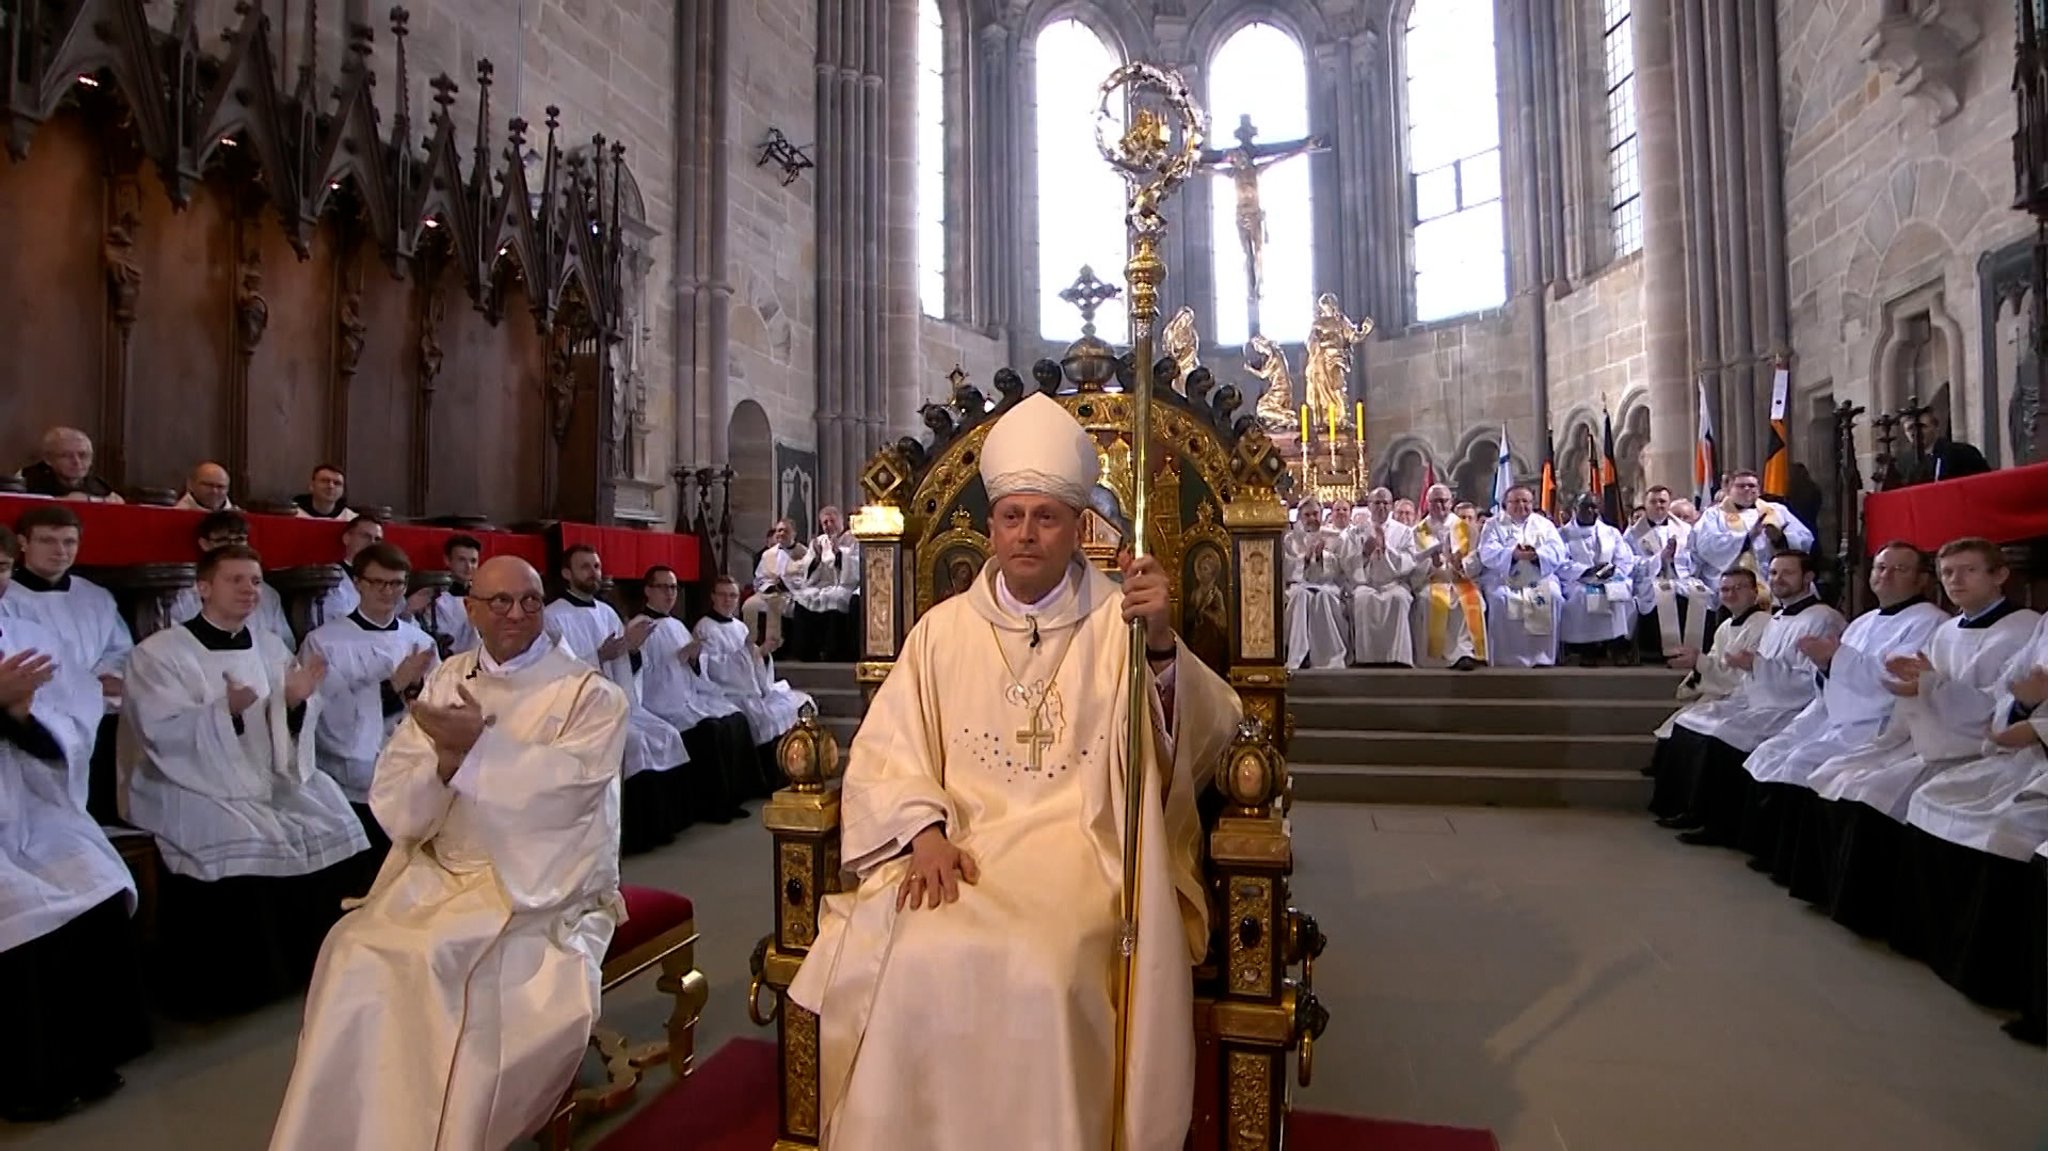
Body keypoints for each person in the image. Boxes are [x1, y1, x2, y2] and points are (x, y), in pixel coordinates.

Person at [786, 392, 1243, 1151]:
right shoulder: (941, 631)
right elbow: (888, 749)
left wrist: (1161, 646)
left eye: (1047, 516)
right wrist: (922, 833)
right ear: (991, 526)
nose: (1026, 533)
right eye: (1012, 516)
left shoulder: (1119, 622)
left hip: (1082, 853)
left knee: (1047, 969)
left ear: (1077, 526)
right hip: (961, 852)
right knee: (918, 955)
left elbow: (1205, 732)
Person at [269, 557, 630, 1151]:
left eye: (530, 601)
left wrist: (481, 751)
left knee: (444, 964)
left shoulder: (588, 693)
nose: (517, 613)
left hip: (535, 882)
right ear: (470, 609)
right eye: (500, 602)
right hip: (441, 866)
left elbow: (572, 787)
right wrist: (443, 762)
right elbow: (397, 787)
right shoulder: (446, 681)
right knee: (354, 950)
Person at [117, 544, 369, 1016]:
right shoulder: (160, 653)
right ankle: (241, 988)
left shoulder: (270, 646)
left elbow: (288, 729)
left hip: (266, 770)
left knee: (332, 813)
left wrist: (293, 703)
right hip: (185, 778)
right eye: (235, 580)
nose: (248, 590)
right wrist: (223, 715)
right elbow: (160, 733)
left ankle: (318, 963)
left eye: (255, 581)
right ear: (203, 587)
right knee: (240, 833)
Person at [1801, 539, 2040, 933]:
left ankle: (1873, 913)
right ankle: (1841, 898)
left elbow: (1994, 708)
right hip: (1928, 735)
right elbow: (1922, 685)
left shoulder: (2023, 627)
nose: (1956, 581)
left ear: (2000, 575)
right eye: (1948, 572)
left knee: (1873, 793)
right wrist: (1912, 688)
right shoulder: (1947, 631)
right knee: (1840, 773)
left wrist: (1928, 686)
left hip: (1974, 748)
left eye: (1969, 570)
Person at [0, 528, 151, 1122]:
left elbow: (74, 710)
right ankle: (23, 1080)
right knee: (21, 911)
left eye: (2, 568)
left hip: (32, 805)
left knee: (95, 883)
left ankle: (84, 1055)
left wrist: (16, 714)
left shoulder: (32, 635)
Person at [1739, 543, 1946, 873]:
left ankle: (1801, 866)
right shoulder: (1863, 621)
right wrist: (1826, 664)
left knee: (1803, 761)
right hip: (1838, 713)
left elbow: (1896, 679)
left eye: (1899, 569)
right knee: (1774, 752)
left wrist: (1834, 658)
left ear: (1923, 580)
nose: (1886, 575)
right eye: (1880, 568)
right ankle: (1774, 853)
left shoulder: (1929, 622)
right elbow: (1837, 672)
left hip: (1880, 724)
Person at [1650, 552, 1846, 843]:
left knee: (1722, 735)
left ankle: (1720, 826)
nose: (1779, 579)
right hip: (1761, 697)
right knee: (1695, 725)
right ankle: (1691, 809)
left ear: (1808, 578)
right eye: (1775, 573)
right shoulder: (1778, 619)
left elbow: (1811, 681)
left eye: (1787, 573)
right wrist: (1750, 669)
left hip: (1792, 707)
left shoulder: (1823, 619)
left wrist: (1755, 666)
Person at [544, 545, 689, 851]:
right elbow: (553, 670)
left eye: (596, 566)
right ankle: (633, 836)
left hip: (617, 699)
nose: (594, 573)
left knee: (666, 734)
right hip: (580, 709)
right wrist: (600, 655)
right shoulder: (553, 616)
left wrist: (631, 651)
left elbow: (624, 663)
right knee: (634, 743)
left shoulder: (607, 612)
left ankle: (664, 825)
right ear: (566, 573)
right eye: (585, 567)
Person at [302, 542, 439, 860]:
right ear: (358, 583)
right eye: (378, 582)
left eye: (396, 583)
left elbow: (436, 704)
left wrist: (414, 691)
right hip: (355, 785)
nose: (387, 591)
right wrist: (393, 686)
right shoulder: (325, 642)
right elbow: (326, 720)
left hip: (412, 779)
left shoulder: (420, 641)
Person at [1, 504, 135, 822]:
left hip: (98, 708)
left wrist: (103, 679)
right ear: (23, 543)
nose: (60, 551)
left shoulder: (96, 596)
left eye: (69, 542)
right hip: (35, 711)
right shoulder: (8, 599)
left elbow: (120, 649)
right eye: (48, 541)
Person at [637, 564, 759, 822]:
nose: (670, 594)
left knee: (734, 719)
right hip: (660, 701)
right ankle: (714, 806)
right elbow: (639, 671)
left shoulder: (677, 625)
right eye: (663, 587)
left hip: (687, 696)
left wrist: (692, 659)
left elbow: (692, 669)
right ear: (648, 591)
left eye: (673, 587)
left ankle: (735, 796)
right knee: (711, 731)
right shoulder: (640, 626)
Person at [694, 575, 815, 765]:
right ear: (713, 597)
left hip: (752, 689)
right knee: (764, 719)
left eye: (733, 596)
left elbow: (753, 663)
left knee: (800, 701)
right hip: (730, 694)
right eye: (723, 595)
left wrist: (764, 654)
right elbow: (713, 668)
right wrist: (747, 655)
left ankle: (795, 765)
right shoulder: (705, 627)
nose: (728, 600)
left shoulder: (740, 627)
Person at [167, 510, 295, 650]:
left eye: (240, 540)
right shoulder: (183, 595)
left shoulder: (267, 594)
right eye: (224, 540)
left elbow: (284, 645)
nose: (233, 547)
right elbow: (175, 645)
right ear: (205, 544)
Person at [1689, 470, 1814, 611]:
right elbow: (1707, 546)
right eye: (1741, 486)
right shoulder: (1714, 515)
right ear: (1729, 489)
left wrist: (1780, 539)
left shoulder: (1776, 511)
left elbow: (1805, 538)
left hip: (1772, 584)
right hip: (1732, 588)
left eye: (1752, 485)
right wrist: (1747, 538)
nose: (1748, 489)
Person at [1477, 486, 1566, 668]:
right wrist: (1513, 554)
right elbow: (1487, 552)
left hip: (1538, 576)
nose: (1521, 505)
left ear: (1532, 504)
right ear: (1505, 504)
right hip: (1504, 577)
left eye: (1526, 501)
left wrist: (1537, 555)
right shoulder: (1493, 524)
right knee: (1499, 599)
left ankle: (1541, 657)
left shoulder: (1544, 524)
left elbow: (1558, 550)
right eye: (1515, 501)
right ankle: (1506, 658)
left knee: (1553, 597)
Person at [1408, 483, 1486, 670]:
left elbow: (1476, 558)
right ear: (1427, 503)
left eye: (1444, 501)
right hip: (1432, 580)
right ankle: (1437, 658)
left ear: (1451, 502)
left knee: (1472, 599)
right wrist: (1431, 564)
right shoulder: (1418, 532)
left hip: (1460, 579)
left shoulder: (1466, 529)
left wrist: (1462, 564)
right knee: (1429, 600)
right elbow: (1412, 564)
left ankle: (1466, 652)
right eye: (1435, 501)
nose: (1440, 505)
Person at [1556, 494, 1637, 666]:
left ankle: (1618, 646)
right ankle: (1588, 650)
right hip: (1578, 579)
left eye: (1594, 507)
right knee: (1582, 595)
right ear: (1575, 509)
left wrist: (1614, 572)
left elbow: (1624, 558)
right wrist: (1586, 572)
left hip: (1609, 576)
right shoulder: (1563, 534)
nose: (1591, 511)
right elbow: (1560, 562)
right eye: (1585, 507)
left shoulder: (1611, 532)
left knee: (1619, 592)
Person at [1627, 485, 1703, 662]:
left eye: (1662, 501)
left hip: (1680, 577)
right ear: (1645, 504)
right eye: (1653, 501)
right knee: (1661, 594)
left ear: (1669, 503)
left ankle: (1690, 651)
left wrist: (1677, 559)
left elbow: (1695, 556)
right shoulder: (1633, 533)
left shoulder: (1685, 529)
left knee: (1699, 593)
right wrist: (1659, 559)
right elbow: (1631, 563)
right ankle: (1655, 651)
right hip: (1649, 580)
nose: (1658, 505)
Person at [1346, 488, 1415, 667]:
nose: (1382, 507)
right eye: (1377, 503)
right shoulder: (1357, 531)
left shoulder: (1404, 531)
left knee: (1399, 599)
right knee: (1362, 599)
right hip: (1367, 583)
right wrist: (1363, 553)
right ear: (1369, 506)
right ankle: (1366, 658)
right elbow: (1346, 563)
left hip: (1394, 583)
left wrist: (1387, 549)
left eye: (1386, 503)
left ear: (1392, 506)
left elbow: (1409, 561)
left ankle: (1398, 657)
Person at [1281, 499, 1349, 670]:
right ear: (1300, 517)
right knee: (1301, 596)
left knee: (1324, 597)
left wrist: (1321, 557)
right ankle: (1298, 655)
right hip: (1299, 586)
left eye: (1315, 514)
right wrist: (1304, 558)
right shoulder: (1290, 540)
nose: (1312, 518)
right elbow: (1287, 569)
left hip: (1327, 586)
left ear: (1321, 515)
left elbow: (1342, 568)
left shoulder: (1334, 537)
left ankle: (1327, 657)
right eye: (1307, 515)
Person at [791, 506, 862, 661]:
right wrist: (815, 558)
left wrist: (840, 554)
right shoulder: (819, 541)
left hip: (845, 585)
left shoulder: (854, 539)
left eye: (832, 521)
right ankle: (808, 651)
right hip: (822, 584)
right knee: (803, 597)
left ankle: (834, 652)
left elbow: (857, 567)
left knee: (835, 599)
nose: (828, 525)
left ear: (841, 521)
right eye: (825, 522)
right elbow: (806, 568)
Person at [743, 519, 807, 645]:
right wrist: (770, 586)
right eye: (779, 530)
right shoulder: (767, 554)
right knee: (748, 605)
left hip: (790, 595)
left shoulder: (804, 553)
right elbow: (759, 578)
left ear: (794, 533)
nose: (781, 533)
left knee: (775, 605)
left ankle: (774, 646)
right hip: (767, 593)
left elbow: (808, 578)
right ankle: (751, 644)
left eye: (785, 530)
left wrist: (786, 584)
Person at [19, 427, 122, 502]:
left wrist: (88, 500)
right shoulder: (28, 479)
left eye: (83, 455)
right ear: (48, 459)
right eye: (66, 455)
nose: (76, 462)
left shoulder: (99, 485)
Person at [428, 534, 483, 657]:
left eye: (473, 561)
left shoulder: (486, 596)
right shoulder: (436, 600)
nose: (468, 566)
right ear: (448, 560)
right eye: (462, 560)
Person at [292, 463, 357, 521]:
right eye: (325, 481)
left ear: (343, 490)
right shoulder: (292, 515)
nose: (331, 486)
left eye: (337, 483)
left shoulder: (351, 519)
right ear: (311, 486)